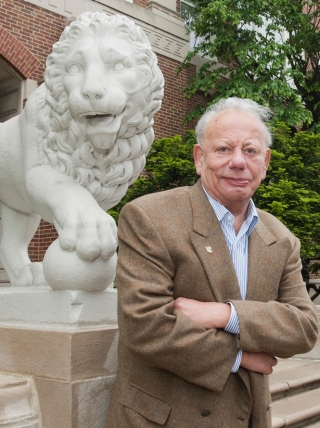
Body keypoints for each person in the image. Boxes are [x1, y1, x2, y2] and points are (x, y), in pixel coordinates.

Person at [106, 97, 318, 428]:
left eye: (250, 151)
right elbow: (145, 326)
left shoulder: (282, 239)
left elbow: (304, 328)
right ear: (199, 158)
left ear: (265, 162)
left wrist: (225, 314)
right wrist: (241, 356)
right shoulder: (148, 218)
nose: (238, 162)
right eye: (223, 149)